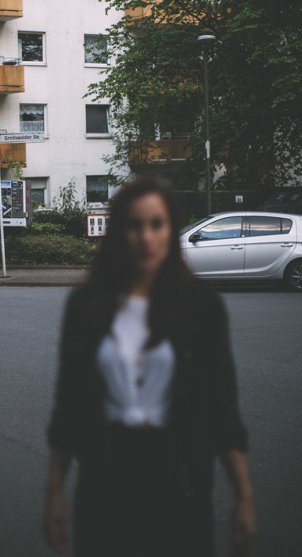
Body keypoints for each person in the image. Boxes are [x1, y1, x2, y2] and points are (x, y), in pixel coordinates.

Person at [43, 176, 256, 557]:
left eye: (156, 224)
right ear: (118, 233)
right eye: (134, 225)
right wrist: (54, 492)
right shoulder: (87, 306)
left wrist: (244, 496)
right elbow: (69, 404)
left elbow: (222, 406)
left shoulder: (201, 307)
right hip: (104, 485)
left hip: (181, 486)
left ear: (171, 230)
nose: (146, 237)